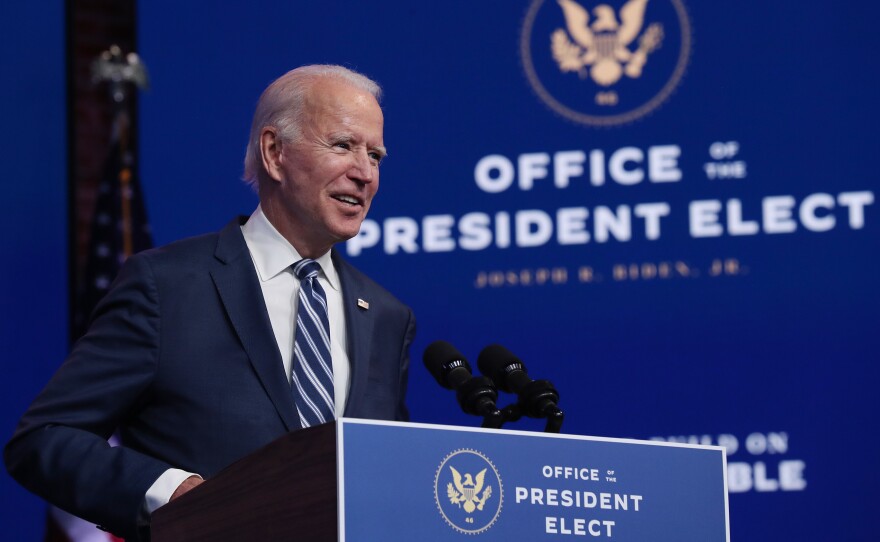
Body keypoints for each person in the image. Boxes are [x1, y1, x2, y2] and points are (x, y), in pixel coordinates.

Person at [4, 65, 415, 541]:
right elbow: (45, 437)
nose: (365, 173)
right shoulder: (168, 286)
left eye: (376, 155)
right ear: (274, 152)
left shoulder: (386, 315)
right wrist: (176, 493)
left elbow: (385, 472)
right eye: (343, 145)